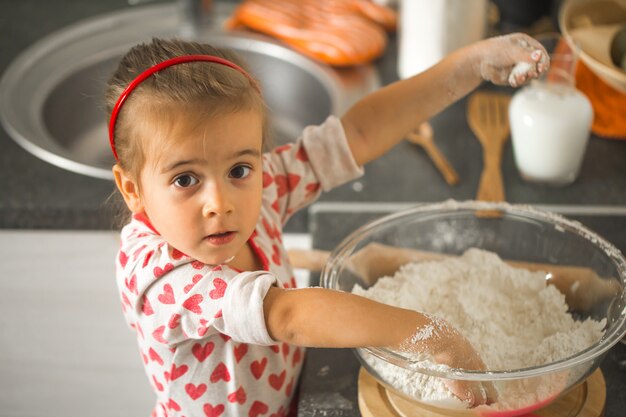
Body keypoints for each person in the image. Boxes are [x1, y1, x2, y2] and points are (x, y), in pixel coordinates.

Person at [107, 35, 548, 417]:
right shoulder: (157, 274)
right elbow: (287, 315)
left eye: (240, 168)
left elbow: (357, 135)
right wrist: (429, 334)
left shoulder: (258, 191)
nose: (219, 203)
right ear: (132, 189)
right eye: (185, 180)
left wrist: (468, 65)